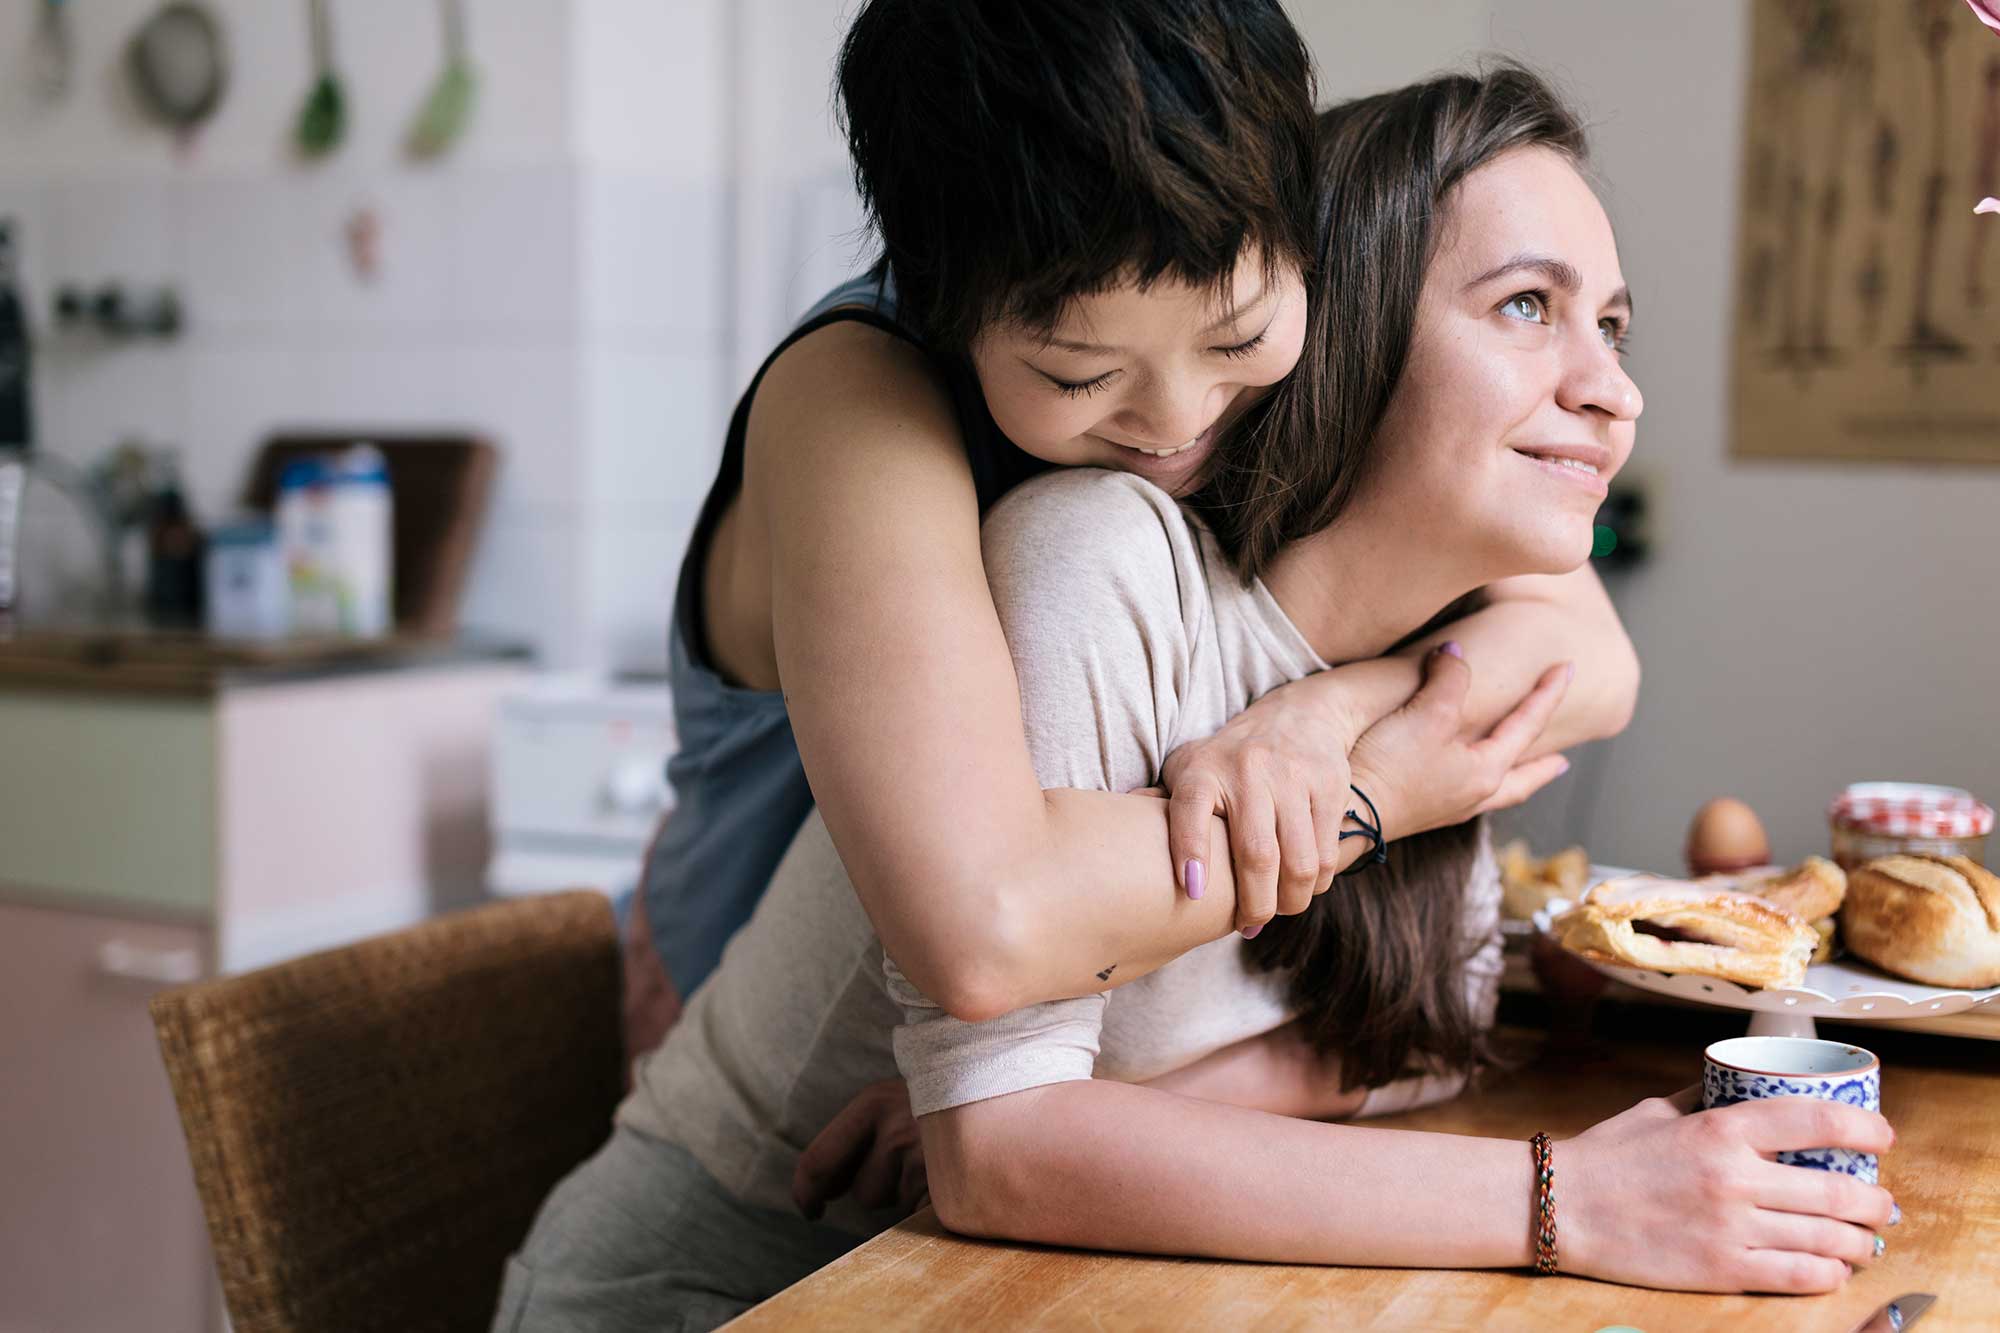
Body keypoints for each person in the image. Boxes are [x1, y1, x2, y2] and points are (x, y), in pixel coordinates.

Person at [494, 65, 1895, 1333]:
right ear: (1347, 318)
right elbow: (1002, 1159)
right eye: (1527, 307)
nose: (1615, 393)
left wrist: (1126, 1116)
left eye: (1614, 324)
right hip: (735, 1284)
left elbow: (1399, 1044)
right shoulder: (1087, 558)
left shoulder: (1463, 660)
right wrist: (1570, 1200)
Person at [623, 0, 1639, 1064]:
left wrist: (1323, 715)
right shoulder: (855, 404)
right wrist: (1380, 792)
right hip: (751, 1051)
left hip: (1016, 1049)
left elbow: (1590, 657)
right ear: (937, 311)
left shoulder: (1227, 231)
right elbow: (984, 928)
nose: (1176, 420)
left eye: (1237, 338)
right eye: (1079, 375)